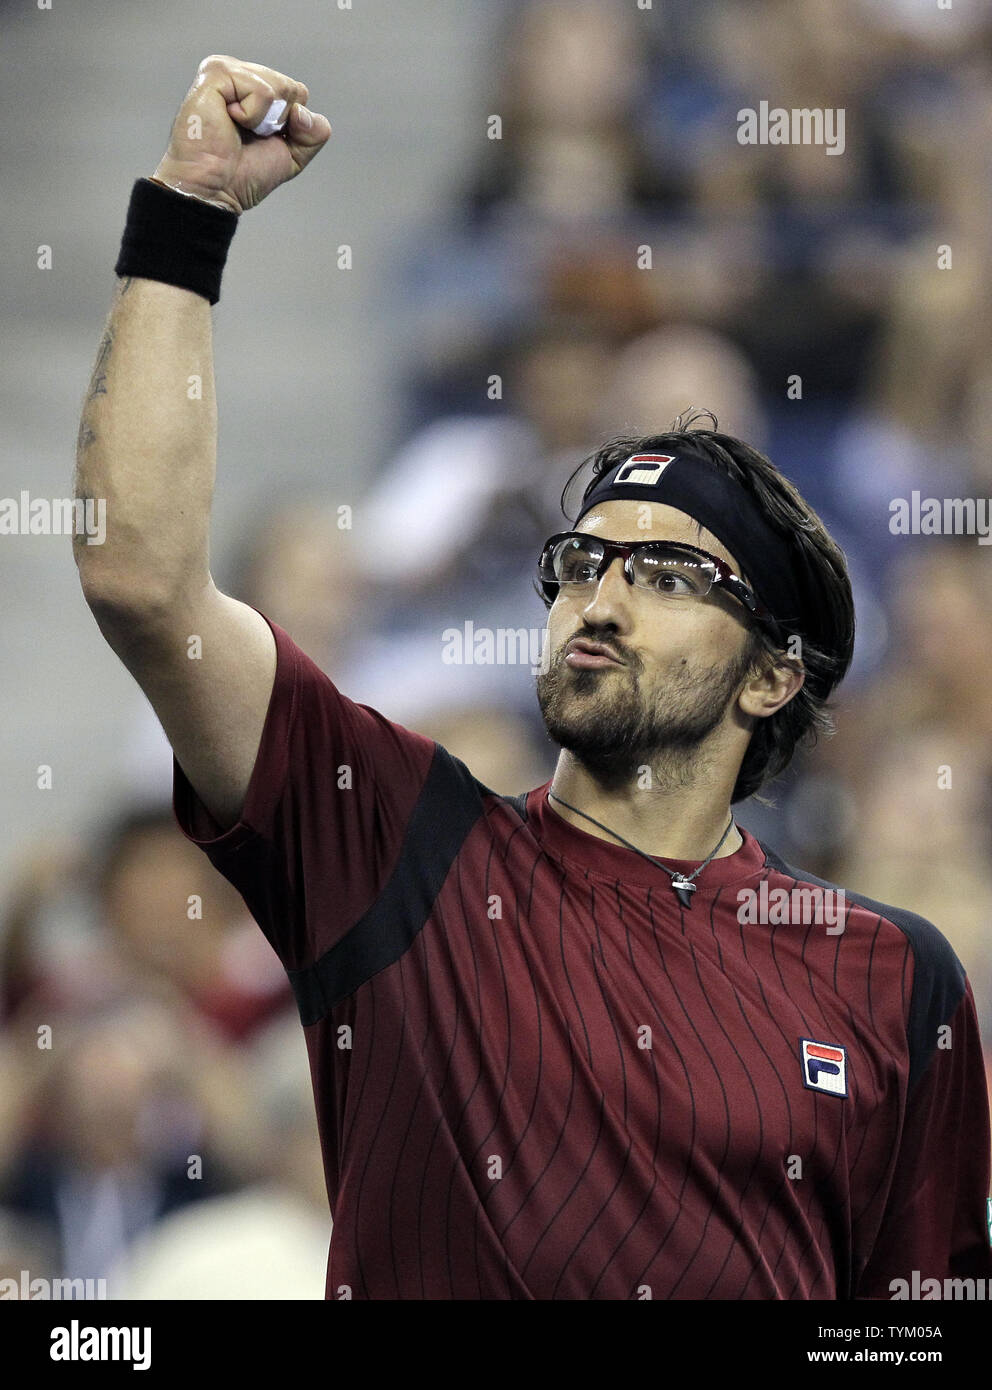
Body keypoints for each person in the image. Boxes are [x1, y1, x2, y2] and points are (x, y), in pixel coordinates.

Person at [74, 54, 992, 1300]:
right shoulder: (394, 844)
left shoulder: (892, 976)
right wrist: (184, 212)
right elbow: (142, 579)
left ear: (772, 678)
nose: (601, 600)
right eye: (582, 562)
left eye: (668, 575)